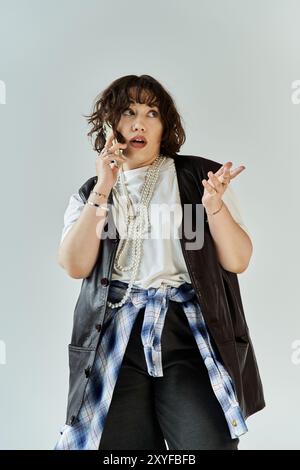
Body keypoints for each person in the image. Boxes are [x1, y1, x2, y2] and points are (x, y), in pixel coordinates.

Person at [54, 74, 265, 450]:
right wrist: (104, 186)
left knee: (207, 442)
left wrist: (214, 209)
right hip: (115, 336)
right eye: (128, 112)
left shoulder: (200, 179)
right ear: (109, 124)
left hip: (188, 334)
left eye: (152, 113)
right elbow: (75, 265)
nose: (140, 122)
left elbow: (238, 260)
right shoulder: (91, 191)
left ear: (165, 126)